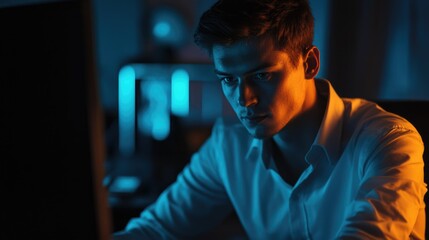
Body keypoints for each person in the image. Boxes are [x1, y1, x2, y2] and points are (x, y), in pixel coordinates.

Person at [113, 0, 426, 239]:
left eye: (262, 75)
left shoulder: (388, 140)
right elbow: (156, 228)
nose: (244, 99)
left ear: (310, 63)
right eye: (228, 79)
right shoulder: (229, 144)